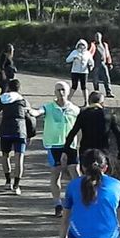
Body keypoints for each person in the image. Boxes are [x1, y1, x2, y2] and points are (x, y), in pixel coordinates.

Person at [29, 82, 80, 217]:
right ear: (54, 92)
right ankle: (58, 204)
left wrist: (80, 144)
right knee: (56, 173)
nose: (60, 92)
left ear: (68, 92)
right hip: (54, 145)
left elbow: (79, 128)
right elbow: (38, 112)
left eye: (63, 90)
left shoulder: (75, 109)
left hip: (70, 146)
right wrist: (31, 111)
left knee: (75, 173)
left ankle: (78, 202)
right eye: (58, 90)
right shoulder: (49, 107)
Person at [63, 91, 120, 171]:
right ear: (102, 103)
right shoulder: (108, 114)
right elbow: (118, 135)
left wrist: (65, 151)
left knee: (87, 178)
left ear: (89, 101)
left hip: (86, 152)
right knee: (102, 177)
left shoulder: (83, 114)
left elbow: (73, 133)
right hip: (103, 152)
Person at [0, 79, 30, 196]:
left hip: (5, 130)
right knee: (19, 158)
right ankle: (17, 185)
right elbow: (29, 117)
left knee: (5, 156)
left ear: (9, 87)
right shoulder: (23, 100)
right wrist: (30, 134)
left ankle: (8, 181)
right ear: (19, 88)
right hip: (20, 131)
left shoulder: (3, 98)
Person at [66, 39, 94, 107]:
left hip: (84, 72)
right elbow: (67, 60)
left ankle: (86, 102)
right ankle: (67, 100)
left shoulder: (87, 53)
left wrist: (91, 66)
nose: (81, 47)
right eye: (80, 45)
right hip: (75, 71)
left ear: (85, 46)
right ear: (77, 45)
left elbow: (91, 62)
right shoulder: (74, 52)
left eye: (83, 45)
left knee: (84, 87)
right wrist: (74, 57)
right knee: (74, 86)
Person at [89, 32, 115, 98]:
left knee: (106, 78)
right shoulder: (93, 44)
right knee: (95, 79)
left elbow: (108, 54)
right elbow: (89, 53)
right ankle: (96, 92)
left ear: (101, 37)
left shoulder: (104, 44)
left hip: (103, 63)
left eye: (98, 36)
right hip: (95, 63)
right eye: (96, 36)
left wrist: (109, 63)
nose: (97, 38)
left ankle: (109, 92)